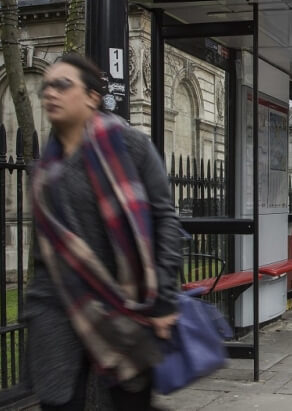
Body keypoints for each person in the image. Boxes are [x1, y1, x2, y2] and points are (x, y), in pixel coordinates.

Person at [26, 53, 182, 410]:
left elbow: (165, 219)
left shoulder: (131, 147)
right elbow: (43, 253)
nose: (50, 92)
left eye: (63, 85)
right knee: (60, 400)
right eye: (46, 86)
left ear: (92, 97)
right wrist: (36, 309)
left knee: (129, 401)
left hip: (125, 307)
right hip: (60, 308)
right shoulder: (43, 171)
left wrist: (164, 298)